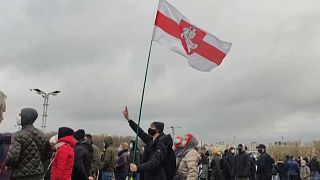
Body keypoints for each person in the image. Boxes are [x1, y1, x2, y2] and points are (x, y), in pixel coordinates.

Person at [123, 106, 174, 180]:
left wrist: (137, 168)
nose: (149, 128)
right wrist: (129, 120)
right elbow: (140, 132)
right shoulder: (151, 140)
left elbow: (154, 162)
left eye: (152, 127)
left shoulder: (161, 144)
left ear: (157, 130)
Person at [6, 108, 53, 180]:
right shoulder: (42, 134)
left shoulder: (17, 135)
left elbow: (13, 157)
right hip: (38, 175)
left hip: (20, 176)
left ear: (25, 117)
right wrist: (39, 164)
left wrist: (8, 165)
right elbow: (49, 153)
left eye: (20, 115)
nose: (18, 117)